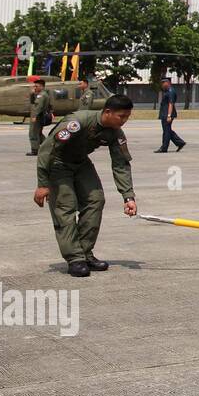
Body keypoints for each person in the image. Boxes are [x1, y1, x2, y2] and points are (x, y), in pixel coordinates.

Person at [33, 95, 138, 277]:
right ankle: (75, 258)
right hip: (57, 163)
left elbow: (121, 164)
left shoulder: (115, 133)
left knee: (95, 200)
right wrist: (42, 183)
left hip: (80, 162)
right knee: (65, 207)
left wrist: (128, 197)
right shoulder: (77, 122)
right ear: (107, 112)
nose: (124, 121)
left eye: (127, 117)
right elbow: (47, 150)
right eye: (121, 116)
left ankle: (85, 253)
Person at [155, 78, 186, 153]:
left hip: (168, 114)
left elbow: (171, 104)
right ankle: (180, 143)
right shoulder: (167, 91)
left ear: (167, 83)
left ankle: (164, 148)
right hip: (164, 113)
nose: (162, 85)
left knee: (166, 131)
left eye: (163, 83)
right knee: (167, 130)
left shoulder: (171, 91)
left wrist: (169, 115)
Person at [26, 77, 53, 156]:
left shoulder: (41, 95)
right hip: (40, 116)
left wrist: (34, 116)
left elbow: (38, 107)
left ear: (41, 86)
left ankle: (35, 150)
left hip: (38, 117)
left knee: (33, 133)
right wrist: (32, 94)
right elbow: (32, 102)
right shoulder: (41, 94)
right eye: (34, 86)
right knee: (39, 133)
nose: (35, 88)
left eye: (36, 86)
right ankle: (49, 147)